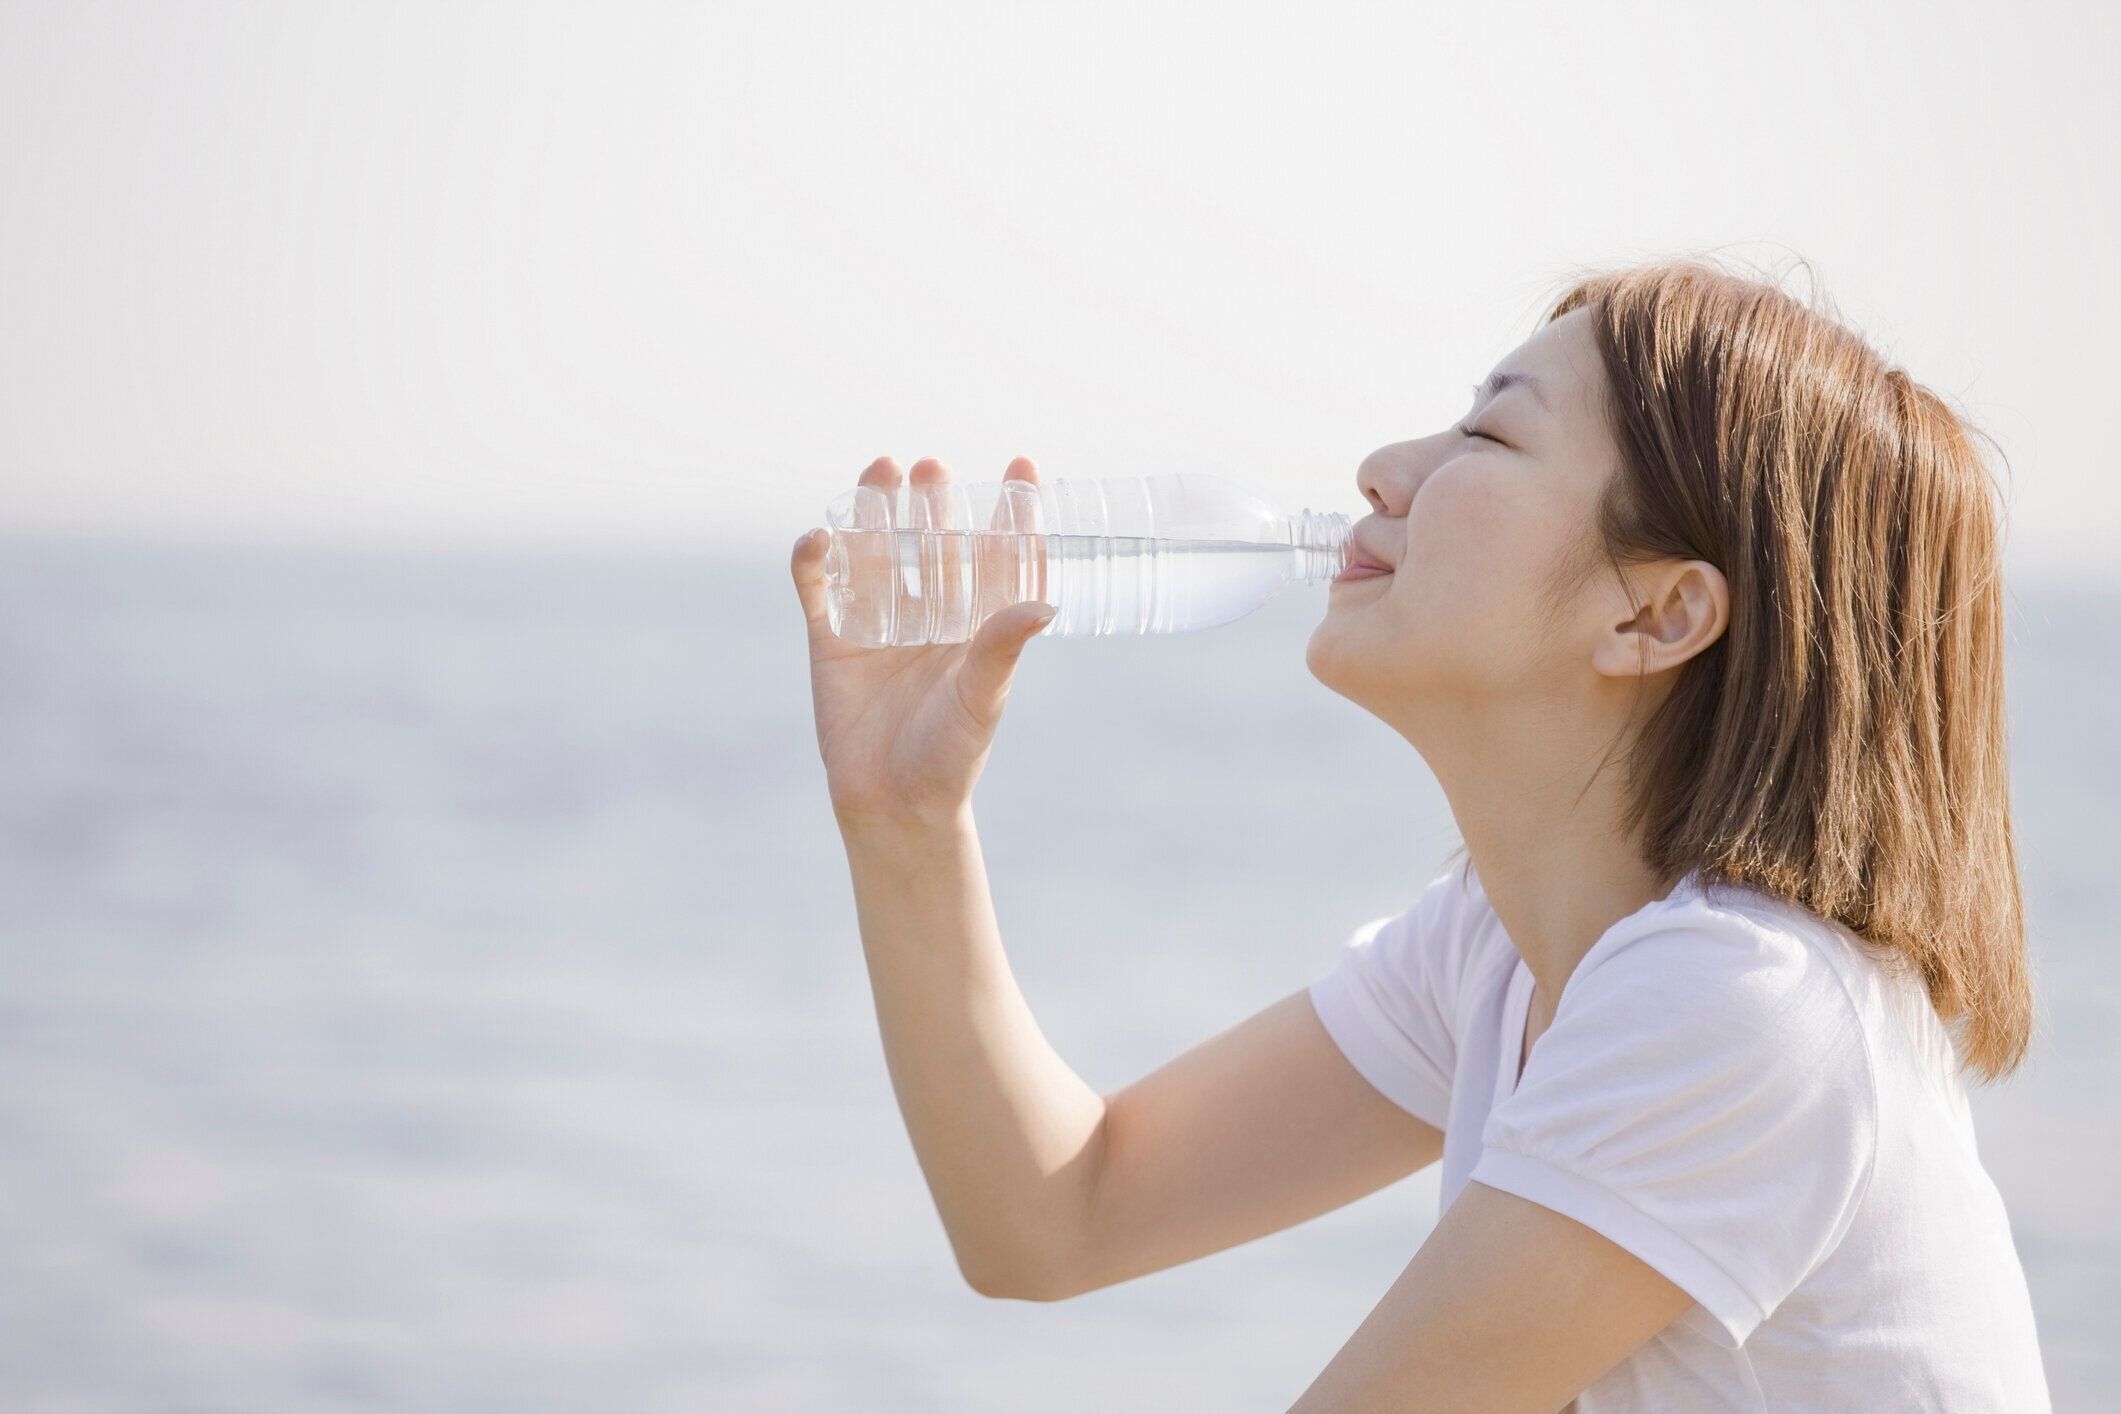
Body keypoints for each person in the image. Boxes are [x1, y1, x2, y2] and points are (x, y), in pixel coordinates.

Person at [787, 255, 2052, 1411]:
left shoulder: (1744, 1005)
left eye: (1490, 434)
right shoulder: (1501, 951)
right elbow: (1056, 1215)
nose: (1387, 468)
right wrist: (906, 824)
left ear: (1656, 614)